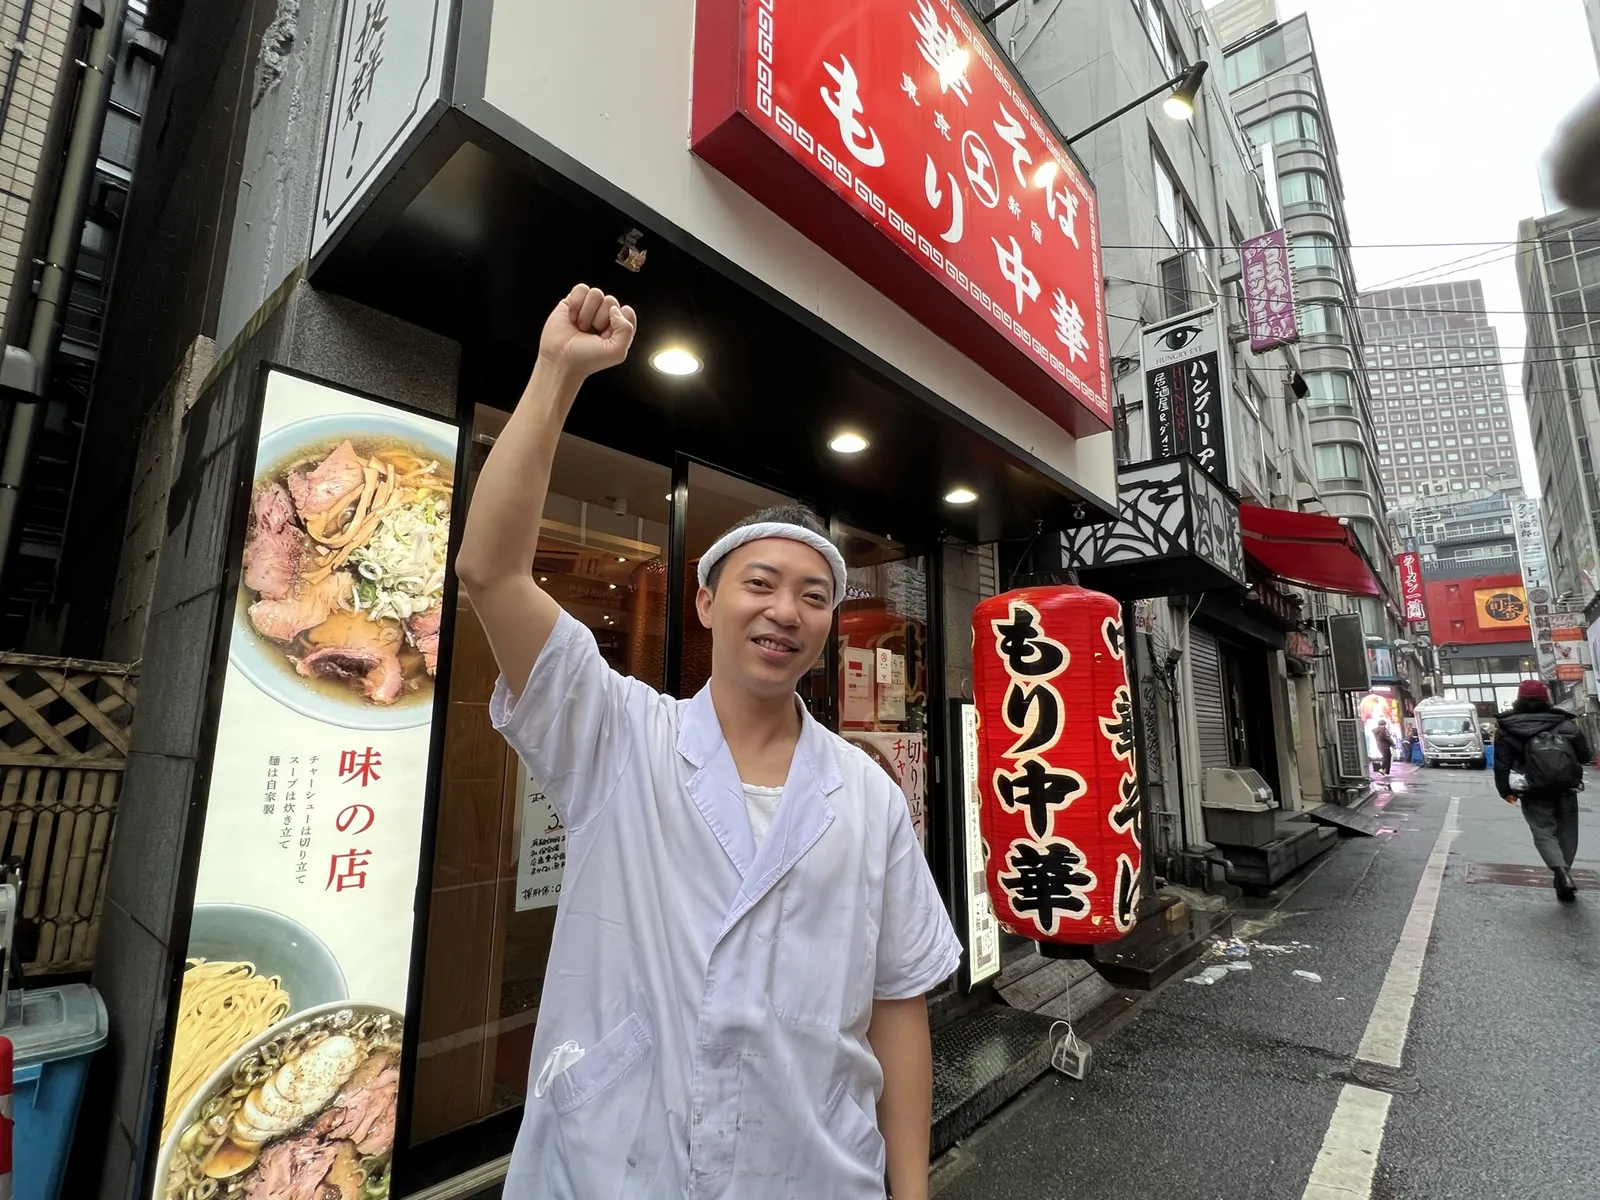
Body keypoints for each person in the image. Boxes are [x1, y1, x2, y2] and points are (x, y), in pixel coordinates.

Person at [455, 284, 962, 1199]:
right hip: (617, 1169)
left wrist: (911, 1190)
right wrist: (558, 371)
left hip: (814, 1174)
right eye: (759, 584)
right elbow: (491, 571)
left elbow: (897, 1003)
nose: (786, 611)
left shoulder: (868, 796)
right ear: (705, 602)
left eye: (814, 597)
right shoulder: (619, 735)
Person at [1493, 679, 1592, 903]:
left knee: (1543, 830)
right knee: (1567, 831)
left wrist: (1505, 791)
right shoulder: (1564, 722)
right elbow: (1584, 755)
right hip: (1566, 787)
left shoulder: (1508, 727)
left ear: (1519, 699)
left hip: (1532, 788)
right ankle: (1564, 873)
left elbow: (1502, 764)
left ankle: (1560, 871)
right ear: (1546, 698)